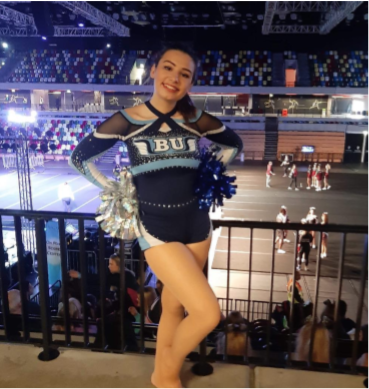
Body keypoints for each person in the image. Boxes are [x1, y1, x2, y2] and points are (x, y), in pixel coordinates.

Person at [69, 43, 243, 388]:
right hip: (156, 227)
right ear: (153, 71)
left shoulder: (194, 118)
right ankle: (166, 369)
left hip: (197, 224)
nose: (174, 78)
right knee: (208, 313)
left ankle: (164, 375)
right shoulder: (128, 118)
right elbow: (79, 159)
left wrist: (211, 175)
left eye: (184, 73)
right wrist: (115, 189)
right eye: (168, 67)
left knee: (175, 307)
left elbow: (233, 145)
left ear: (191, 82)